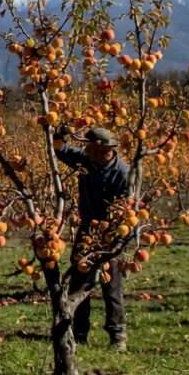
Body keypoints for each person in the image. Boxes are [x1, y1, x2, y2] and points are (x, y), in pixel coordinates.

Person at [53, 126, 129, 351]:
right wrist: (58, 133)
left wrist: (115, 237)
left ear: (106, 150)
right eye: (88, 149)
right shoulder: (86, 161)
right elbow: (60, 150)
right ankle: (79, 332)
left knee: (111, 286)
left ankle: (118, 336)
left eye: (93, 149)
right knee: (80, 282)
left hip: (112, 235)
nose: (89, 152)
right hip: (87, 232)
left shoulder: (122, 173)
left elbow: (128, 212)